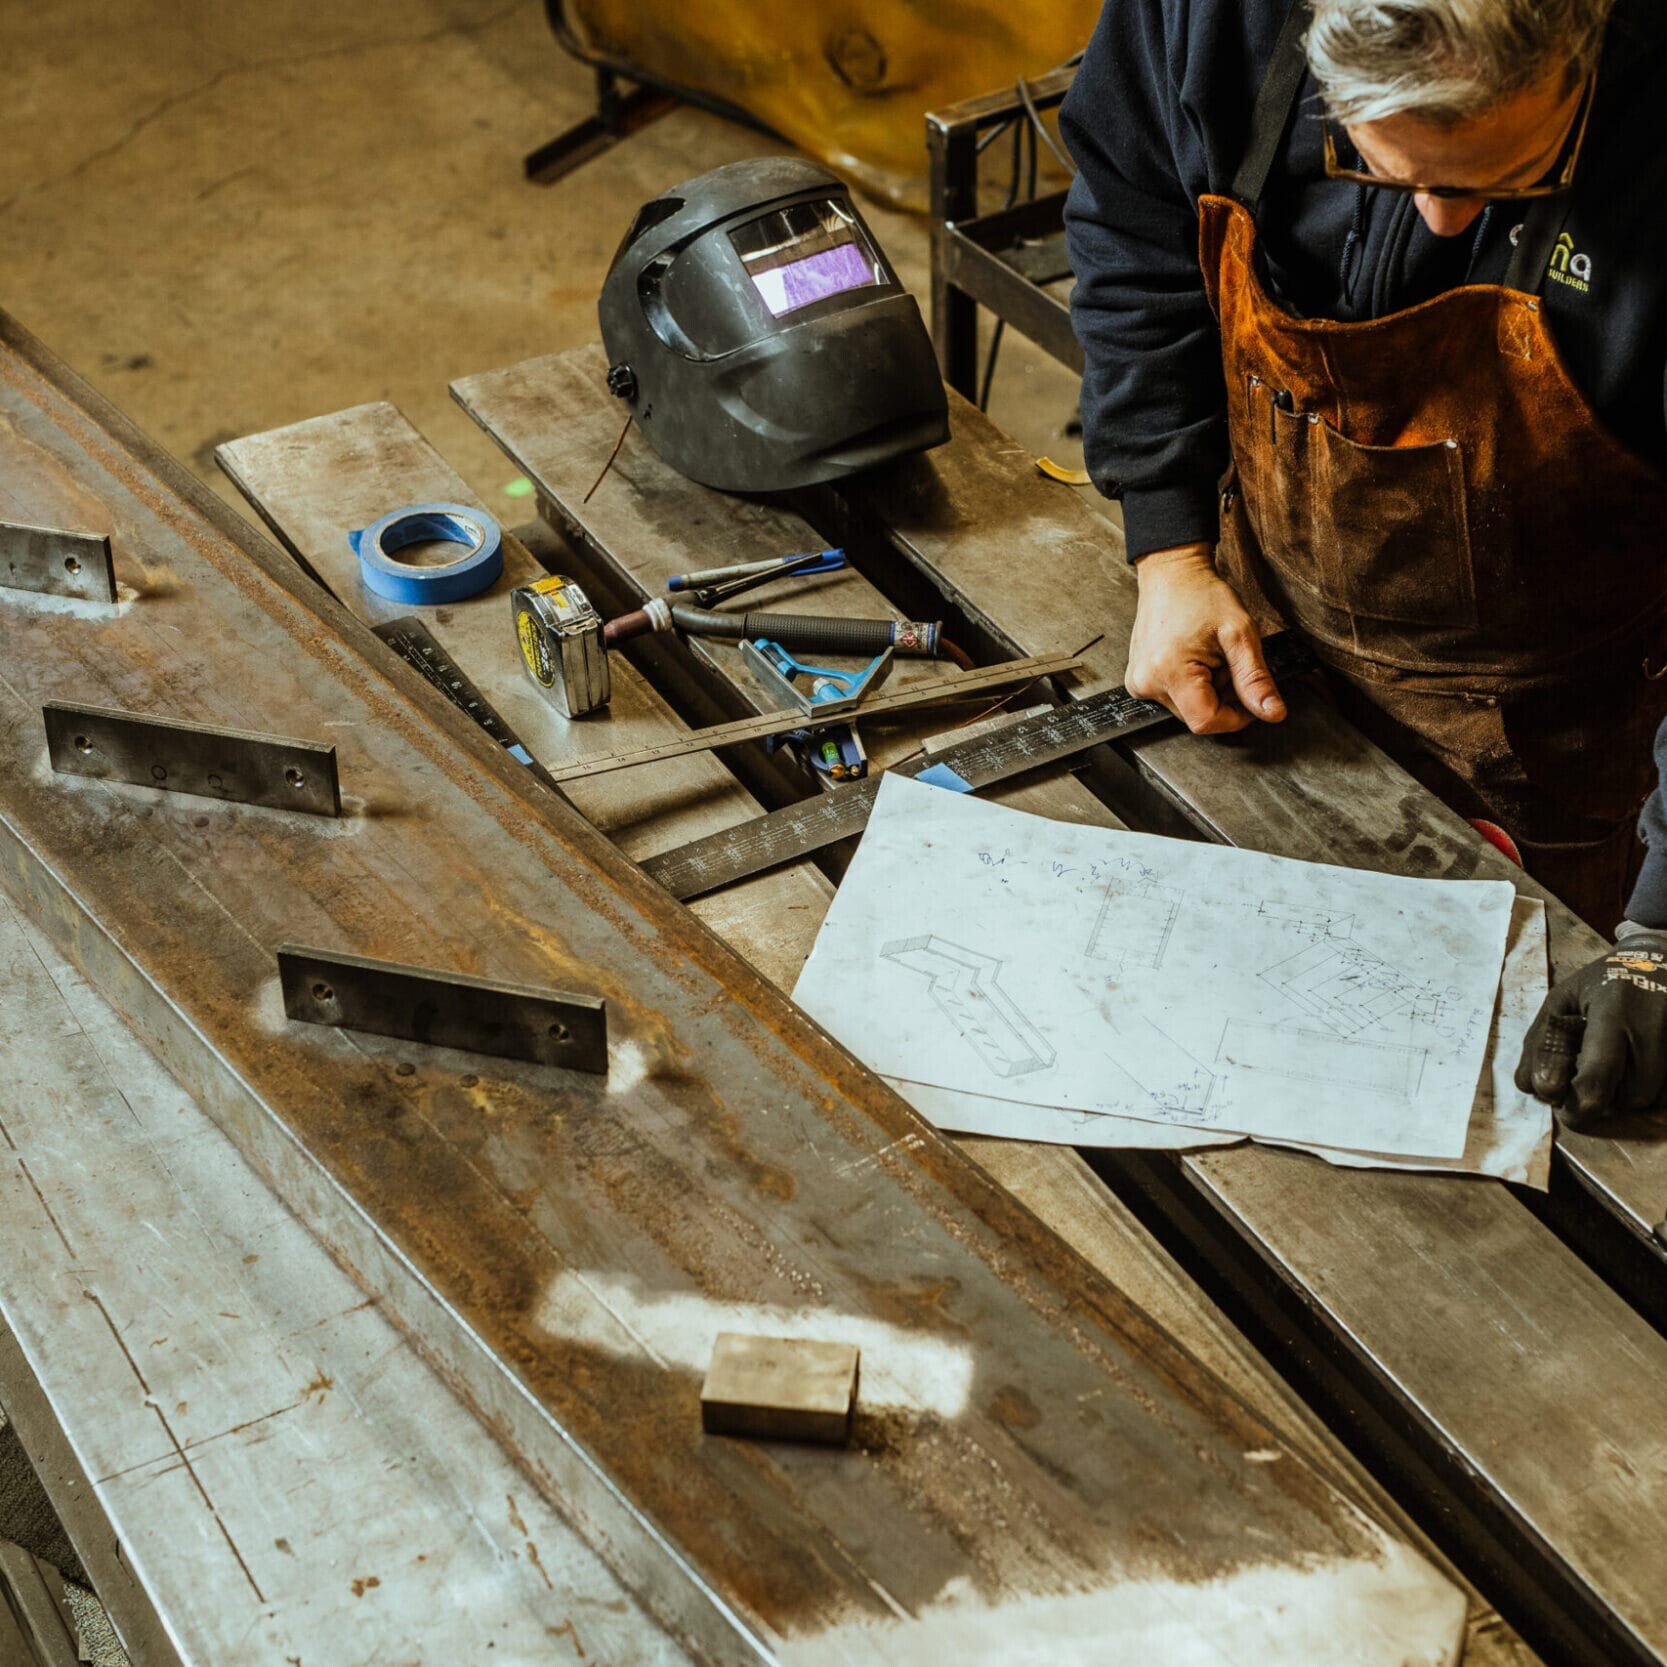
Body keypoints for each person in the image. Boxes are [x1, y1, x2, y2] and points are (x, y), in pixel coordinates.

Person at [1060, 0, 1667, 1117]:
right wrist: (1168, 545)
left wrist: (1656, 934)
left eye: (1507, 179)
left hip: (1579, 731)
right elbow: (1132, 219)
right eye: (1382, 170)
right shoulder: (1210, 20)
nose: (1440, 223)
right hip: (1271, 650)